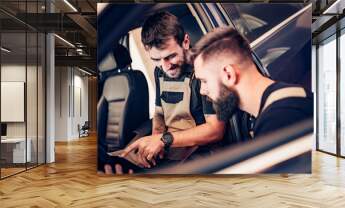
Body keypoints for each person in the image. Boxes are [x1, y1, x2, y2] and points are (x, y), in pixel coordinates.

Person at [189, 27, 313, 173]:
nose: (202, 91)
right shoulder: (266, 111)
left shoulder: (278, 121)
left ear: (229, 74)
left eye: (204, 81)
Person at [119, 11, 226, 170]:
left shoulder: (204, 71)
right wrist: (154, 144)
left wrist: (164, 140)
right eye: (156, 60)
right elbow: (159, 113)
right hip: (171, 148)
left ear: (186, 42)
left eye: (170, 56)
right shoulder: (160, 71)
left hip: (202, 152)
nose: (165, 66)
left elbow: (215, 130)